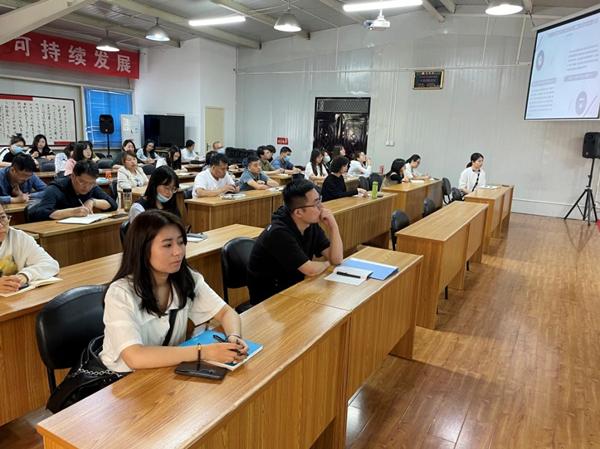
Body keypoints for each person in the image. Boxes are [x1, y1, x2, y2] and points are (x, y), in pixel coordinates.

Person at [100, 210, 249, 372]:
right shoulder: (120, 293)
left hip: (165, 370)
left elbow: (226, 312)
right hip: (123, 378)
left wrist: (234, 337)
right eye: (167, 245)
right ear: (142, 249)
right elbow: (135, 357)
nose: (178, 251)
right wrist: (204, 352)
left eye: (181, 242)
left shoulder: (186, 279)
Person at [247, 179, 343, 305]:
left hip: (293, 288)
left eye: (320, 200)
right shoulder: (278, 232)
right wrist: (327, 263)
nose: (322, 207)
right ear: (298, 212)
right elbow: (310, 270)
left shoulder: (310, 224)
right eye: (316, 204)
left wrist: (334, 227)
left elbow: (336, 259)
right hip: (268, 300)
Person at [32, 159, 118, 222]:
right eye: (83, 182)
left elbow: (113, 204)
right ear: (73, 176)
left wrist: (93, 201)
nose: (87, 187)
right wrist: (72, 212)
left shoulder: (92, 186)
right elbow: (41, 214)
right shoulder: (55, 188)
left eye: (92, 183)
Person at [0, 205, 59, 294]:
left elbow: (51, 264)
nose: (1, 226)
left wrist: (24, 275)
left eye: (2, 217)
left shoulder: (19, 238)